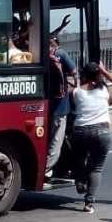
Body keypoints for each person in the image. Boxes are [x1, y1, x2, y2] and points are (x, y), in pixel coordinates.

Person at [71, 62, 112, 214]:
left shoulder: (76, 92)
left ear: (84, 75)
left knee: (79, 160)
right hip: (102, 131)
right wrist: (104, 79)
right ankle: (89, 203)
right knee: (96, 169)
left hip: (81, 131)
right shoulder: (104, 90)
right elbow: (111, 101)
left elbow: (72, 106)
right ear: (98, 75)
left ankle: (80, 181)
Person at [44, 36, 76, 180]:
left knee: (49, 137)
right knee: (56, 140)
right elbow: (74, 72)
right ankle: (46, 169)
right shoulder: (61, 54)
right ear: (55, 44)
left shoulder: (42, 55)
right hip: (60, 106)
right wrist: (78, 87)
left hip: (46, 105)